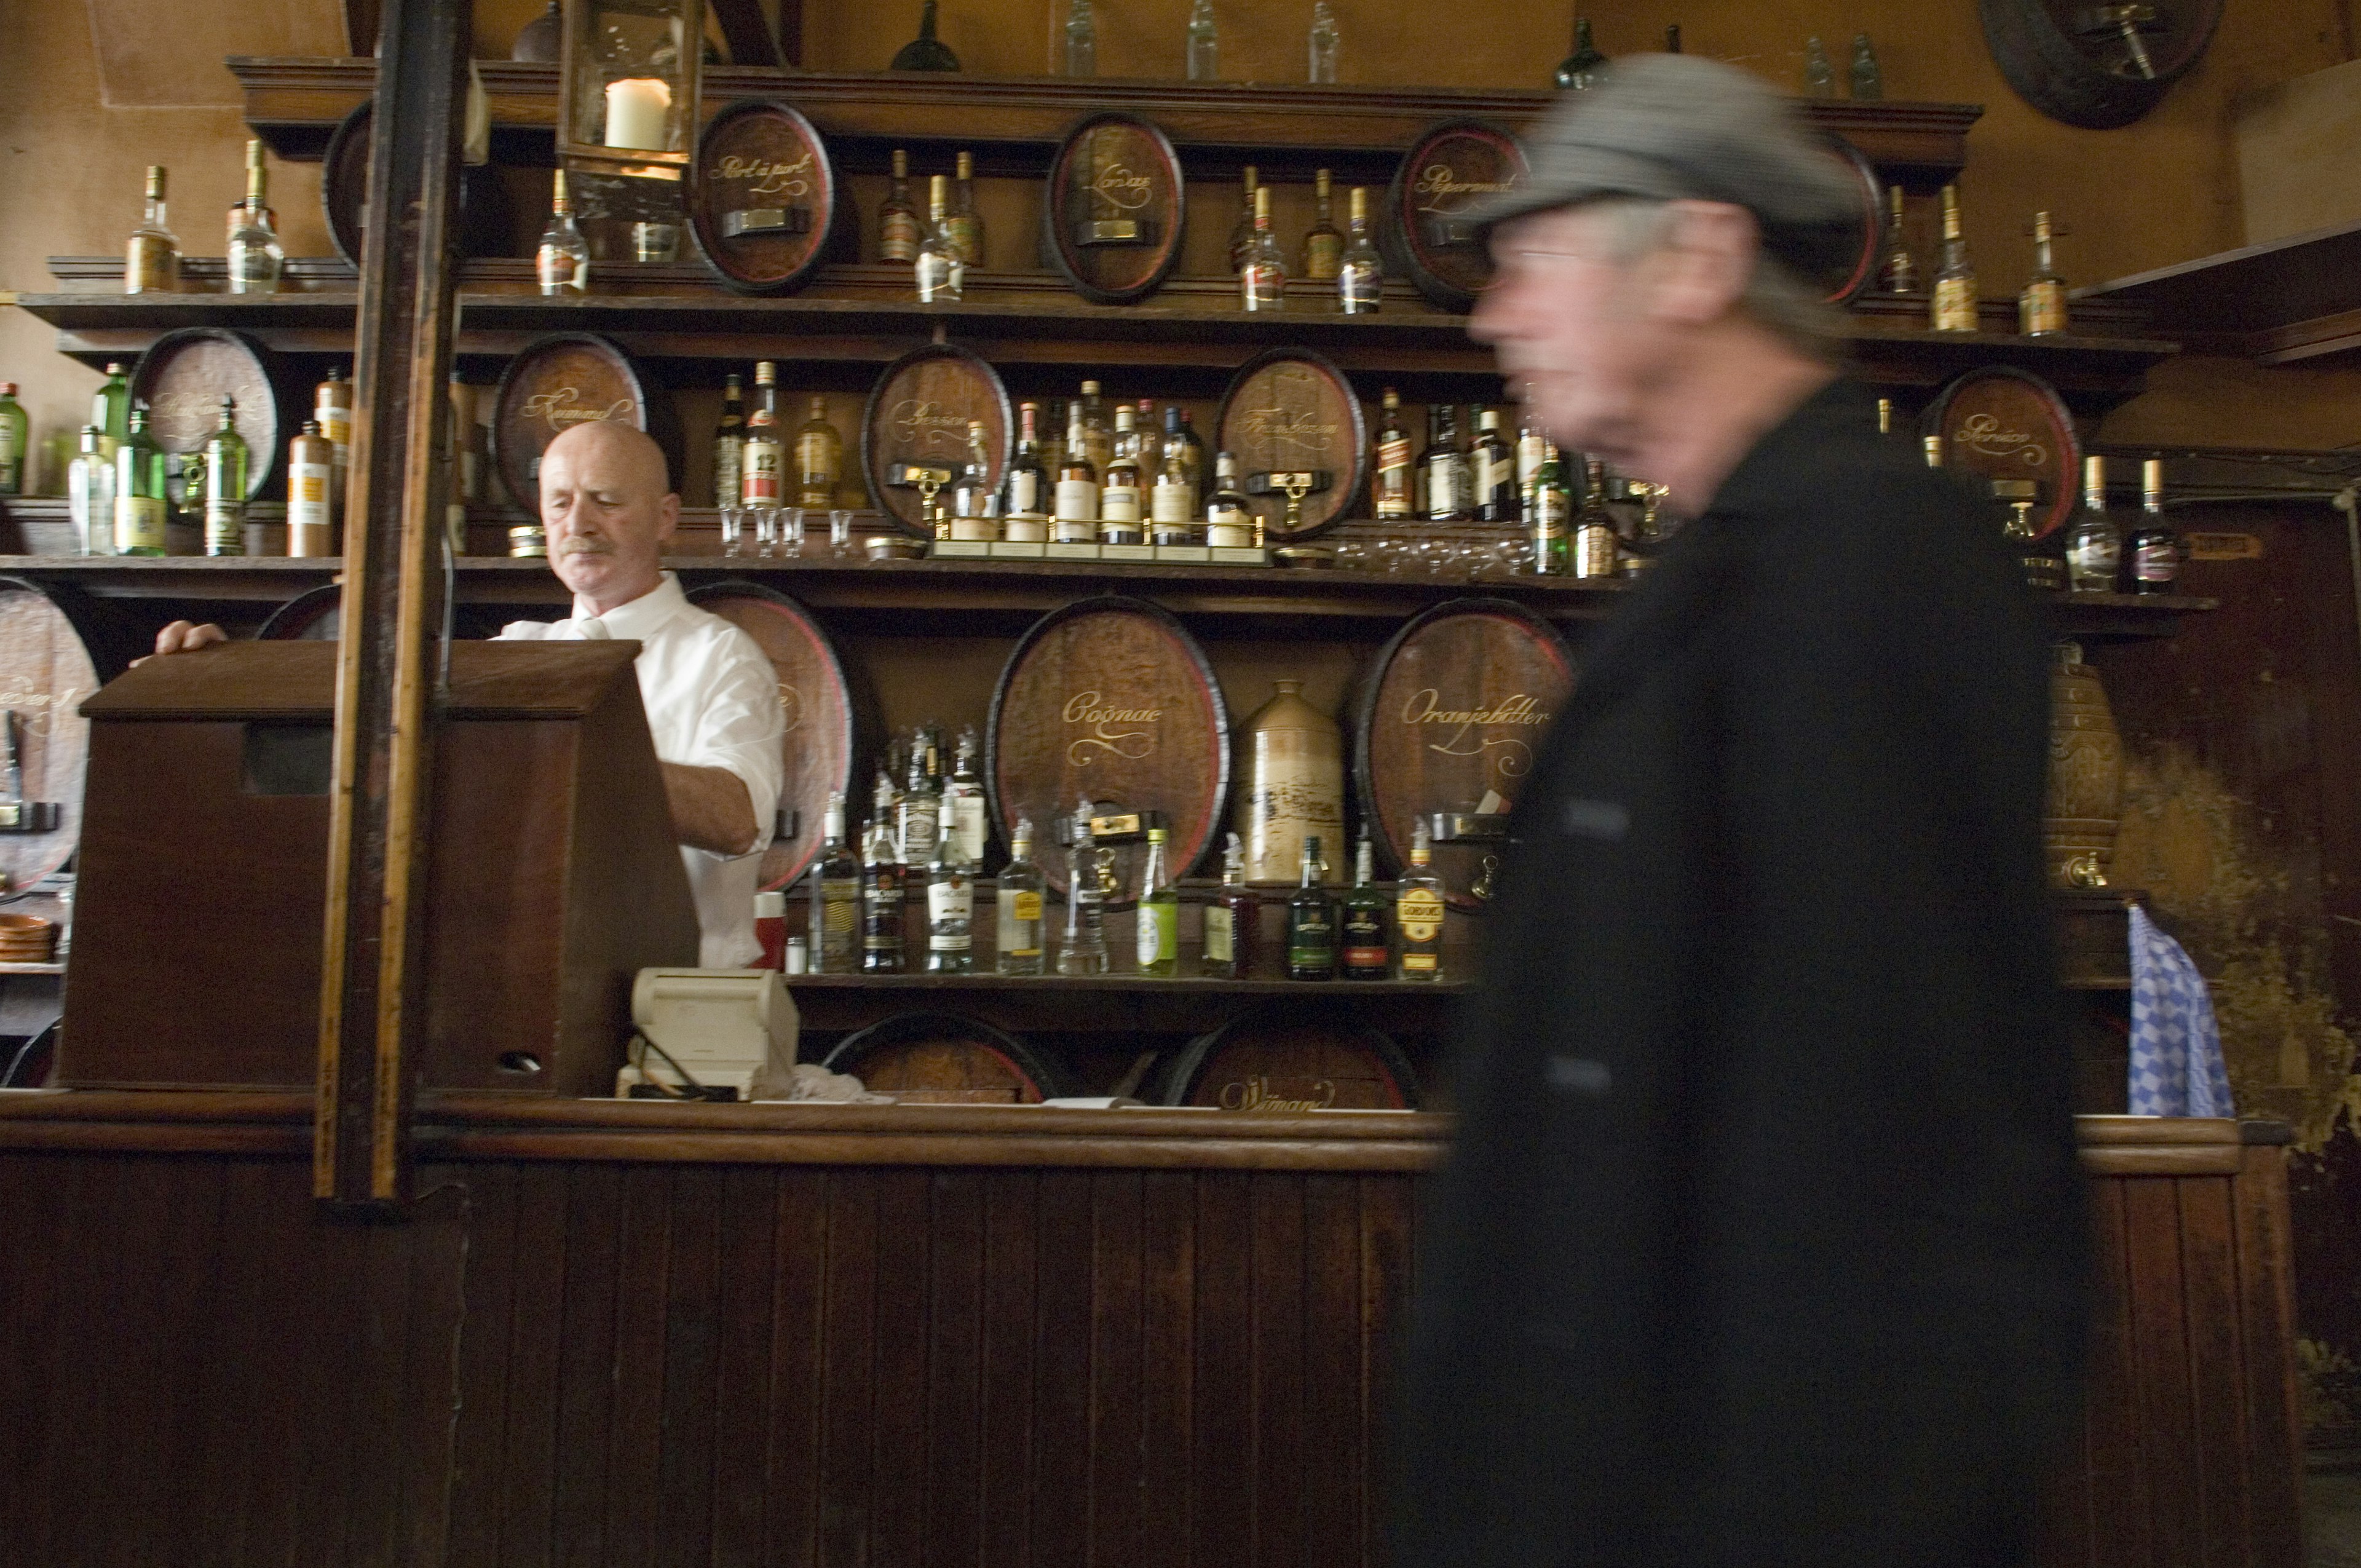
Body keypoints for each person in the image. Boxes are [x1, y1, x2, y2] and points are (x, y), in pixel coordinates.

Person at [1392, 55, 2088, 1568]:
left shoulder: (1867, 563)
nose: (1495, 314)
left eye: (1538, 258)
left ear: (1699, 257)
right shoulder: (1741, 564)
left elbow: (1886, 1138)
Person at [152, 421, 783, 968]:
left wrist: (577, 749)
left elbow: (736, 819)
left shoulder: (720, 655)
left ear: (666, 517)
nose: (578, 523)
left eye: (606, 500)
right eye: (559, 503)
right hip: (505, 987)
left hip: (677, 1001)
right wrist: (219, 678)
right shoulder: (511, 653)